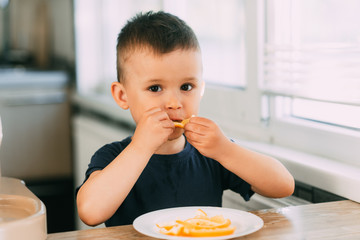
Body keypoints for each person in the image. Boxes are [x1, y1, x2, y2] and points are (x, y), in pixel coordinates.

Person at [76, 11, 294, 227]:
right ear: (122, 96)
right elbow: (90, 213)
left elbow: (284, 185)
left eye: (186, 87)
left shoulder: (212, 154)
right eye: (155, 88)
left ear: (201, 89)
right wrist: (141, 147)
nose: (174, 102)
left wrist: (225, 149)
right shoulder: (113, 157)